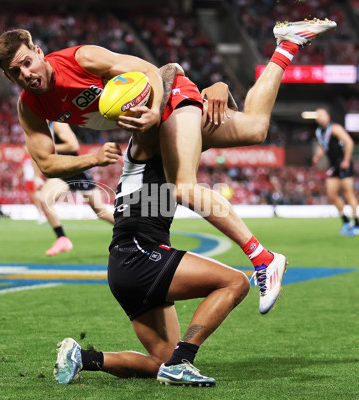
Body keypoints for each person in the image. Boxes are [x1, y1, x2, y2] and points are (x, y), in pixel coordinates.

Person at [0, 18, 336, 313]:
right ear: (9, 77)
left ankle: (264, 260)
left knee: (182, 187)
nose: (25, 73)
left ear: (38, 52)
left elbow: (151, 71)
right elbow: (46, 162)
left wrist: (156, 110)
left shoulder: (82, 58)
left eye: (26, 62)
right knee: (256, 128)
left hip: (169, 100)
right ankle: (287, 45)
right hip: (160, 118)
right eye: (15, 71)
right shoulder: (30, 107)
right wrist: (93, 158)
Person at [54, 129, 257, 386]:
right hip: (141, 256)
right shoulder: (146, 143)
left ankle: (83, 358)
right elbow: (243, 129)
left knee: (161, 361)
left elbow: (209, 136)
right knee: (236, 282)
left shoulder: (167, 155)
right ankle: (183, 360)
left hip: (126, 263)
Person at [36, 121, 114, 255]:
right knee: (44, 199)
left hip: (75, 168)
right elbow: (36, 155)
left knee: (100, 211)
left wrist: (50, 147)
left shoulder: (57, 123)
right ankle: (62, 238)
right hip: (62, 169)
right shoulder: (40, 129)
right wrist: (36, 176)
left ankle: (136, 230)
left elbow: (73, 145)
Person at [312, 108, 359, 237]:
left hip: (343, 164)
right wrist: (318, 156)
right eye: (317, 116)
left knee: (348, 193)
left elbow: (349, 142)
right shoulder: (319, 132)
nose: (319, 117)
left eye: (321, 115)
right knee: (331, 194)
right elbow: (323, 145)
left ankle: (357, 224)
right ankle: (346, 221)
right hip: (334, 165)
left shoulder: (335, 128)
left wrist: (346, 160)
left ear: (327, 116)